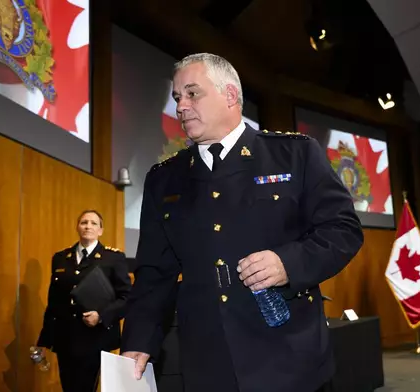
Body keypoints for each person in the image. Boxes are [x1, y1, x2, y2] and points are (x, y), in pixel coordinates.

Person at [120, 53, 364, 392]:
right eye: (177, 97)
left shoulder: (295, 154)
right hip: (207, 362)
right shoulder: (164, 179)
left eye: (193, 93)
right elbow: (154, 273)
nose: (180, 107)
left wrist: (287, 263)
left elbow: (343, 230)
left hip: (289, 357)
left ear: (231, 95)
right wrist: (138, 340)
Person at [37, 210, 132, 392]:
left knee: (85, 388)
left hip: (95, 338)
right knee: (69, 387)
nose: (88, 226)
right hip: (66, 338)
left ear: (101, 230)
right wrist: (44, 341)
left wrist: (102, 316)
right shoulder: (61, 258)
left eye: (93, 223)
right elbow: (54, 303)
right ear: (77, 227)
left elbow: (126, 298)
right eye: (84, 222)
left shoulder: (113, 258)